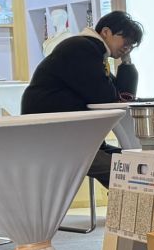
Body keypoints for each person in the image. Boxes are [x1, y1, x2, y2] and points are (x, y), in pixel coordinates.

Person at [21, 10, 143, 186]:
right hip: (54, 139)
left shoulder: (94, 51)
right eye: (126, 40)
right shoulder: (82, 48)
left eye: (132, 45)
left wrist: (127, 62)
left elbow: (122, 97)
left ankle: (130, 201)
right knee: (127, 171)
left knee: (136, 165)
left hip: (72, 137)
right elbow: (106, 98)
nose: (128, 47)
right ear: (106, 32)